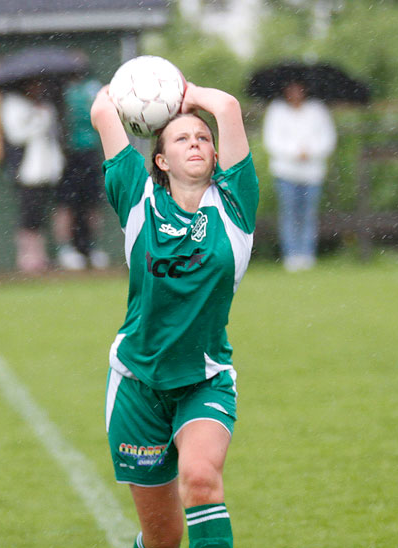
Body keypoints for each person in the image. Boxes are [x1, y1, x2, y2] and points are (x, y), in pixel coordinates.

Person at [90, 78, 258, 548]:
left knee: (201, 478)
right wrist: (135, 88)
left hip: (203, 378)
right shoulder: (137, 198)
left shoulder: (234, 203)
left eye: (203, 137)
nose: (197, 142)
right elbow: (103, 108)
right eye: (182, 138)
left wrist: (184, 92)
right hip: (137, 384)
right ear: (161, 160)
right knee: (163, 539)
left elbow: (226, 106)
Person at [262, 80, 336, 271]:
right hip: (285, 172)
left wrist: (310, 152)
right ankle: (291, 255)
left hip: (312, 173)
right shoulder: (277, 111)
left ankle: (307, 255)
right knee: (289, 214)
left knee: (308, 215)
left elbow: (328, 139)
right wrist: (295, 152)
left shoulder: (317, 110)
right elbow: (272, 141)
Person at [0, 80, 64, 274]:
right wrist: (38, 119)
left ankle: (40, 257)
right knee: (29, 217)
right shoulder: (13, 105)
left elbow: (52, 130)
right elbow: (17, 135)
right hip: (27, 173)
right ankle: (27, 258)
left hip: (47, 171)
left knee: (40, 216)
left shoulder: (44, 105)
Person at [54, 75, 110, 270]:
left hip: (90, 156)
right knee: (66, 205)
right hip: (67, 157)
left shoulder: (94, 88)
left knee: (92, 204)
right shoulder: (60, 93)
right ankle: (66, 249)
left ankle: (91, 247)